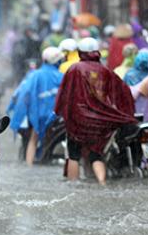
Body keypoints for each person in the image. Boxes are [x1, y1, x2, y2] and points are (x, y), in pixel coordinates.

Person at [54, 38, 136, 185]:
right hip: (100, 121)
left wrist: (62, 113)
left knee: (74, 155)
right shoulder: (106, 71)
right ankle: (102, 183)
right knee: (96, 155)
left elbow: (64, 95)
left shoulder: (74, 69)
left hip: (78, 121)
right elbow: (123, 92)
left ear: (80, 52)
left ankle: (74, 185)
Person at [7, 47, 64, 165]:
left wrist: (15, 112)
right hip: (57, 118)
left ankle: (29, 166)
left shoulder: (35, 75)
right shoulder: (61, 76)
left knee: (33, 140)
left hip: (38, 117)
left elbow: (23, 95)